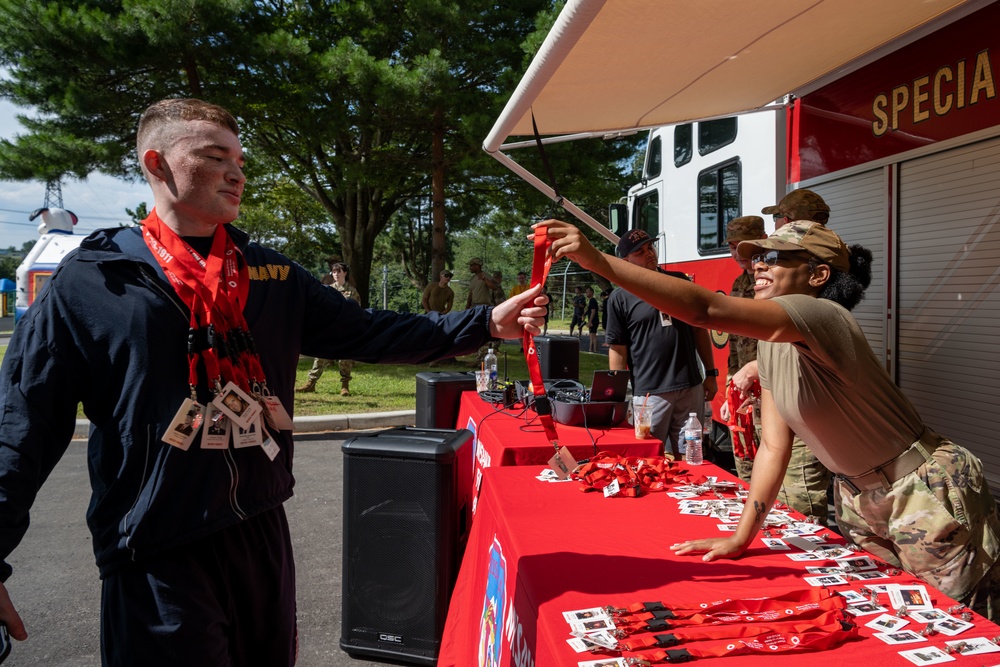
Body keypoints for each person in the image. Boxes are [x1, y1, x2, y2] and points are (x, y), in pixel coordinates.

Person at [0, 98, 547, 665]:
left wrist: (483, 323)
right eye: (215, 157)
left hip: (260, 530)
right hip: (156, 549)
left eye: (240, 159)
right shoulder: (93, 281)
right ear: (156, 164)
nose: (237, 173)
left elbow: (369, 332)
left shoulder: (271, 274)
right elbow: (23, 424)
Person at [540, 218, 1000, 619]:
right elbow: (774, 448)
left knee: (961, 628)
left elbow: (705, 309)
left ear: (818, 274)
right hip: (860, 499)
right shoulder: (774, 341)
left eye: (775, 257)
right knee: (903, 623)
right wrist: (742, 537)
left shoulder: (821, 313)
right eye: (755, 256)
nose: (758, 264)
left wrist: (599, 261)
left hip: (923, 493)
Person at [605, 229, 719, 458]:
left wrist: (710, 373)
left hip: (690, 387)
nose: (649, 254)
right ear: (625, 260)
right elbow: (617, 348)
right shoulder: (619, 297)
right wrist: (616, 395)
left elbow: (699, 330)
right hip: (650, 394)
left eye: (651, 248)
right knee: (647, 458)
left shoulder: (679, 282)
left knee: (690, 458)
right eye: (640, 252)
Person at [721, 216, 768, 483]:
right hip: (743, 391)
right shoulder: (739, 284)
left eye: (743, 246)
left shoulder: (775, 279)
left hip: (771, 390)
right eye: (731, 247)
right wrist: (731, 389)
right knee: (746, 465)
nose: (737, 253)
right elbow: (735, 343)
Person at [297, 260, 358, 396]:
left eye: (338, 272)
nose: (335, 274)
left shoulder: (352, 291)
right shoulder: (328, 289)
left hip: (344, 329)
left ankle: (345, 386)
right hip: (328, 328)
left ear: (345, 273)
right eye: (334, 272)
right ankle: (311, 383)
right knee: (320, 356)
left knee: (344, 358)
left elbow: (356, 311)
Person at [585, 287, 600, 353]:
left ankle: (595, 350)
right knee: (591, 335)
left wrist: (590, 321)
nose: (586, 293)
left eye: (587, 292)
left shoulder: (593, 301)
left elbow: (593, 312)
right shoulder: (591, 301)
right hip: (592, 320)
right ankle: (590, 349)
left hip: (594, 320)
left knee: (593, 335)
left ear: (591, 292)